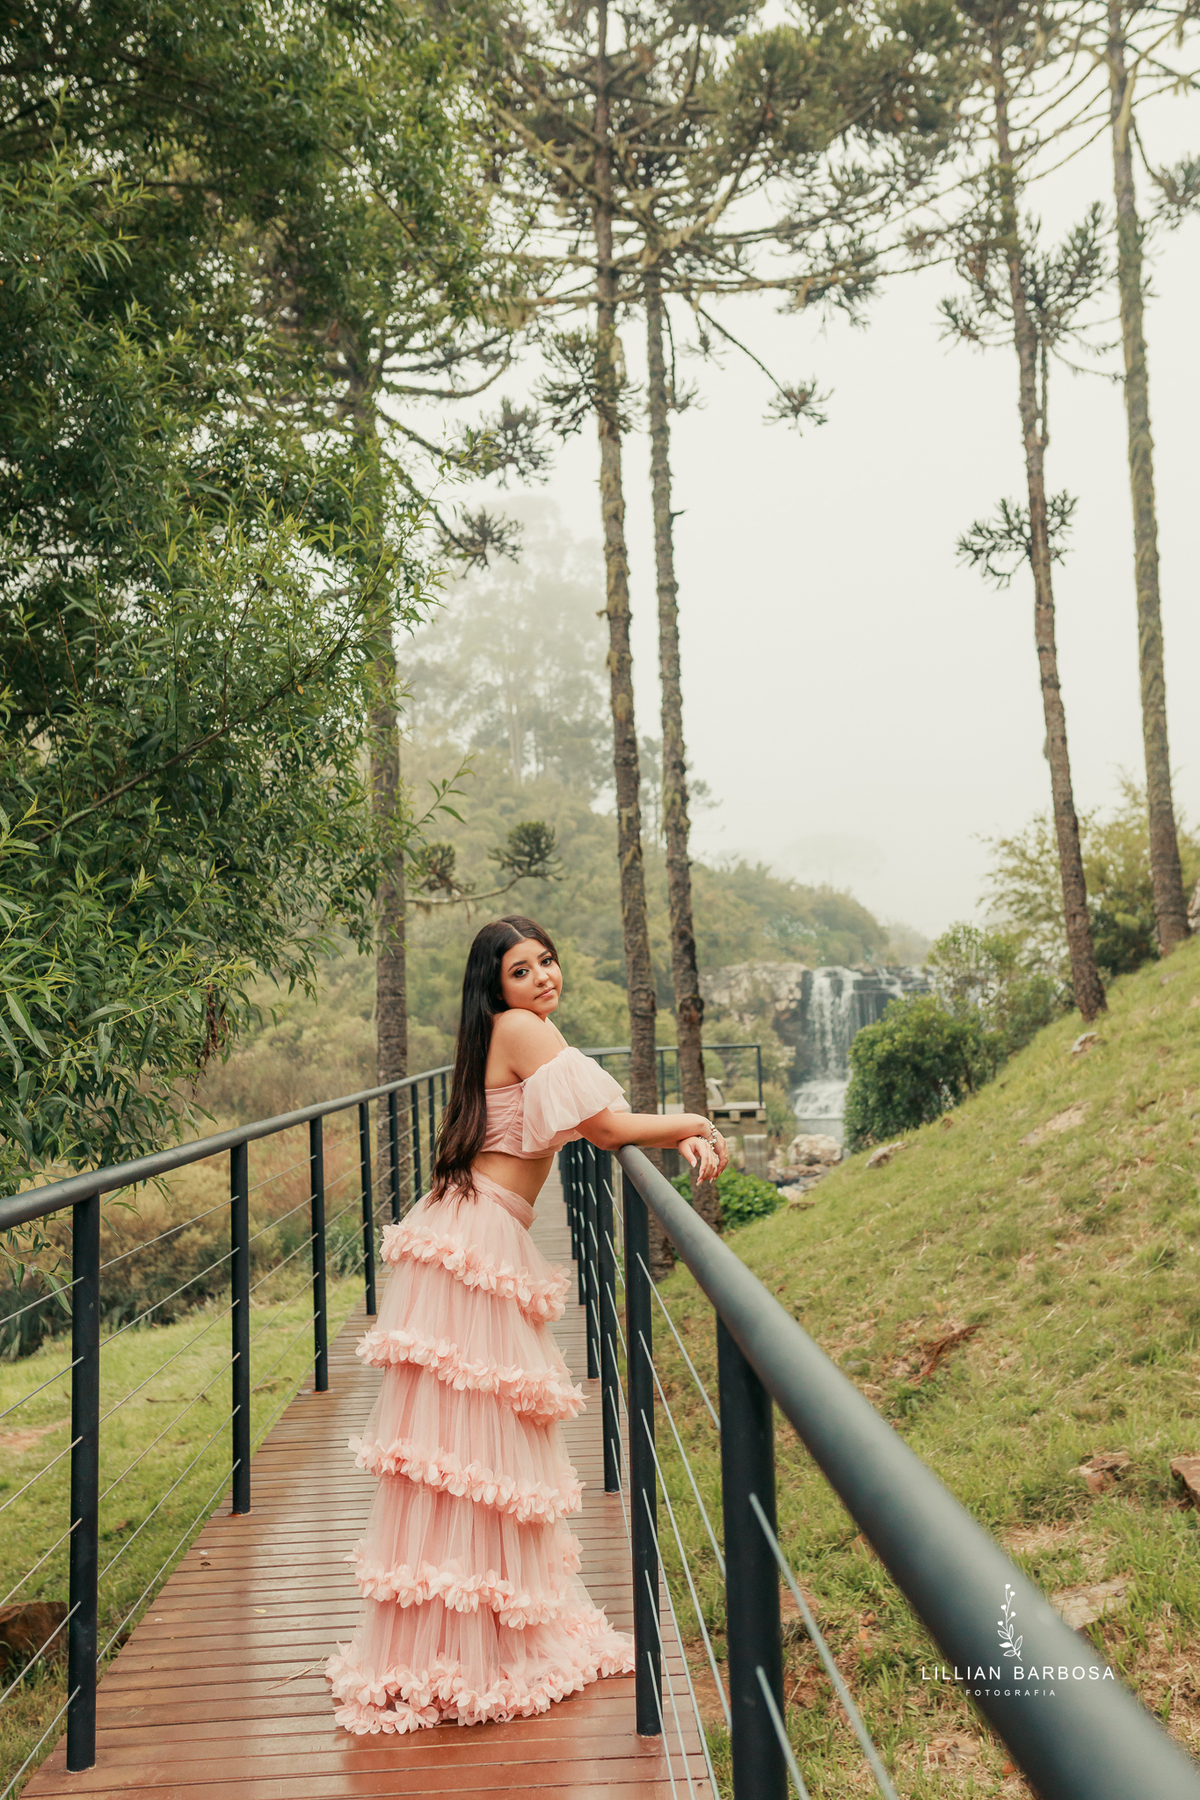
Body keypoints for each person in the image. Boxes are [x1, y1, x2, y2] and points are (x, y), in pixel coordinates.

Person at [327, 914, 728, 1734]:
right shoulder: (520, 1029)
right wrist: (689, 1121)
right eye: (521, 969)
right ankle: (464, 1651)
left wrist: (674, 1125)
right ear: (496, 987)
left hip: (472, 1225)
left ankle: (465, 1637)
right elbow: (606, 1129)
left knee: (464, 1449)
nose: (542, 977)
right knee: (468, 1450)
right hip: (478, 1236)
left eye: (547, 960)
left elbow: (585, 1122)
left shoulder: (515, 1032)